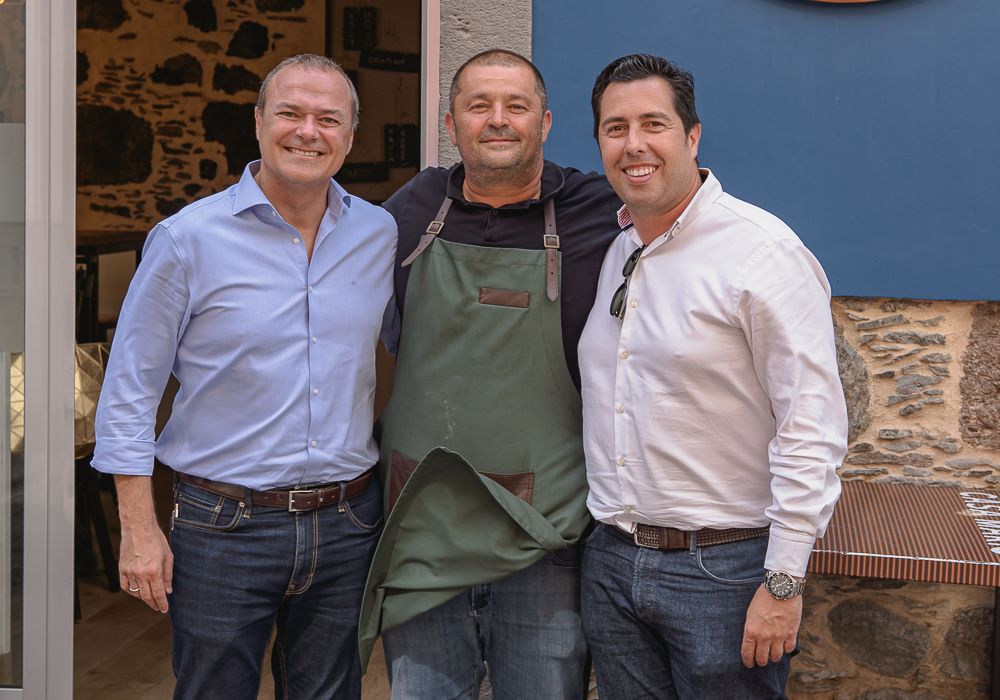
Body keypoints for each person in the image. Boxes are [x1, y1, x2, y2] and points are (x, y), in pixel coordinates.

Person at [92, 54, 396, 699]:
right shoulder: (186, 239)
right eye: (289, 113)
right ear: (258, 123)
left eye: (328, 119)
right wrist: (139, 528)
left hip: (348, 523)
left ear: (350, 136)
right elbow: (128, 392)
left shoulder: (379, 233)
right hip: (223, 525)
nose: (307, 131)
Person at [578, 53, 847, 699]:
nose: (634, 144)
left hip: (723, 572)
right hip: (612, 561)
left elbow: (810, 424)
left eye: (653, 124)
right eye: (615, 128)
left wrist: (783, 581)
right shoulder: (620, 249)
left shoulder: (762, 252)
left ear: (692, 136)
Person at [357, 49, 620, 699]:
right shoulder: (411, 209)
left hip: (543, 531)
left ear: (545, 122)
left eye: (516, 106)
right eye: (479, 106)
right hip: (423, 524)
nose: (498, 119)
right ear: (451, 124)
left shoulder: (600, 210)